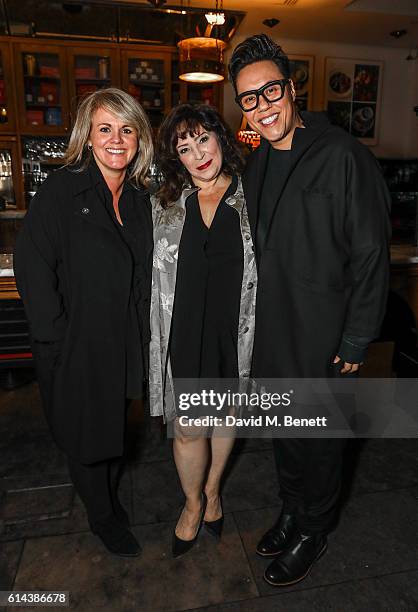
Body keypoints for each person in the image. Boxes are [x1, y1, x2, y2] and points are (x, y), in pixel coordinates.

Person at [228, 35, 391, 586]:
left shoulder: (344, 155)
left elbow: (371, 254)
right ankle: (293, 510)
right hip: (274, 334)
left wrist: (355, 340)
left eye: (270, 90)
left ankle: (314, 530)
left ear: (292, 89)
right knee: (284, 433)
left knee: (319, 440)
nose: (262, 106)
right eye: (248, 98)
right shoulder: (254, 165)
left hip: (323, 336)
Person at [14, 88, 154, 557]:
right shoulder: (62, 189)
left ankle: (107, 501)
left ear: (139, 139)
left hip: (122, 343)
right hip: (77, 343)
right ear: (87, 137)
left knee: (114, 431)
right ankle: (102, 517)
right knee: (87, 438)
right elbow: (30, 263)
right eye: (105, 129)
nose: (117, 139)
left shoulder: (136, 199)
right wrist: (55, 338)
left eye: (127, 129)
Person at [149, 104, 257, 557]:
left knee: (227, 418)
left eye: (203, 139)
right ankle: (192, 504)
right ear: (177, 158)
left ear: (221, 138)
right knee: (191, 428)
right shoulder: (164, 206)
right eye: (184, 147)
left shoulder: (253, 198)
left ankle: (213, 491)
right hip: (185, 335)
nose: (198, 154)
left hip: (235, 334)